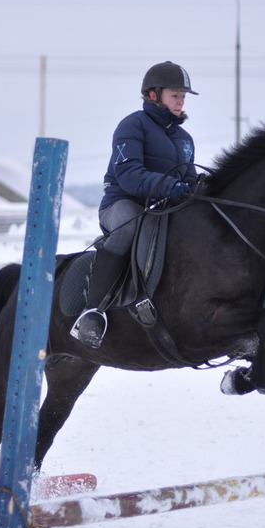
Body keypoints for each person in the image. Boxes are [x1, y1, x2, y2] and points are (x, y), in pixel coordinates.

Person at [70, 60, 199, 348]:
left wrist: (198, 189)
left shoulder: (185, 139)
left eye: (183, 96)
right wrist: (171, 187)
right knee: (132, 225)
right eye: (174, 95)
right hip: (122, 203)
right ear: (153, 95)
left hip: (162, 207)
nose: (181, 101)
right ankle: (92, 312)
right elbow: (129, 176)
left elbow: (188, 179)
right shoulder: (131, 126)